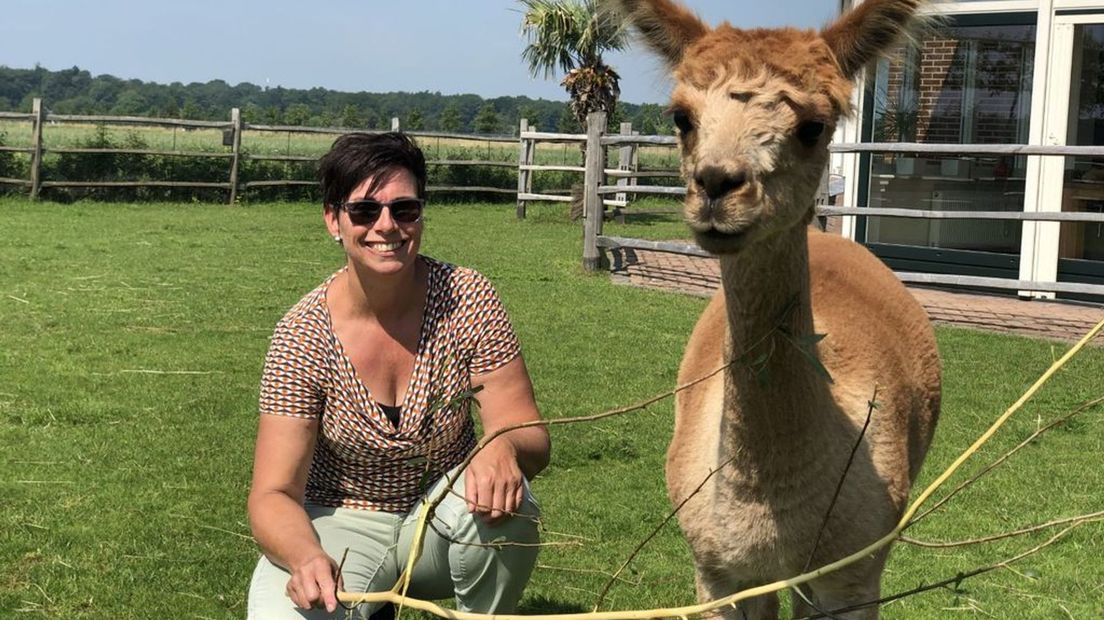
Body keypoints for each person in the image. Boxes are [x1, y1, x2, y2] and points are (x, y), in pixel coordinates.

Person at [246, 132, 551, 619]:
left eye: (404, 209)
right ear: (333, 220)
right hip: (339, 523)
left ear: (420, 215)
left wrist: (503, 445)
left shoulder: (467, 299)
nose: (386, 226)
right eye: (365, 211)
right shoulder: (301, 336)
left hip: (445, 514)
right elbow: (273, 493)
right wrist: (306, 557)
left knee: (506, 515)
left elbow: (530, 435)